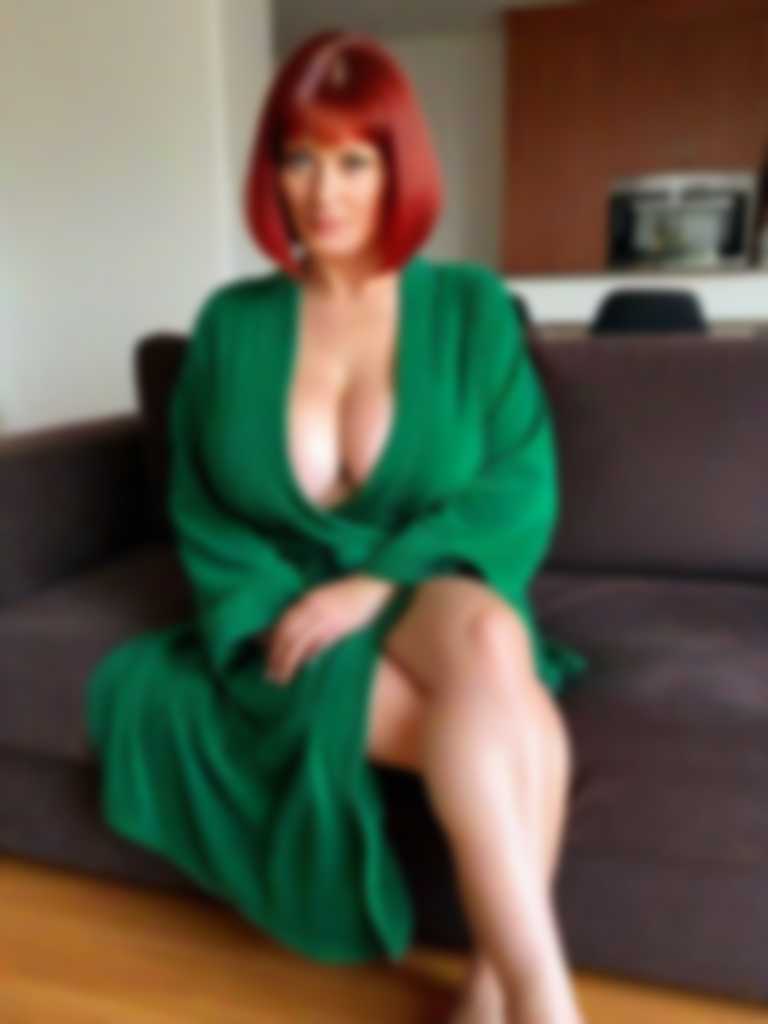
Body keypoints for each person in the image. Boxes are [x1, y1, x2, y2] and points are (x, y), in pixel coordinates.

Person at [85, 28, 590, 1024]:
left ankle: (520, 990)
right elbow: (201, 504)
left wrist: (373, 584)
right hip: (283, 602)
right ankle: (516, 997)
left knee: (492, 634)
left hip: (425, 578)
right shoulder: (231, 324)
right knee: (512, 710)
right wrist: (281, 606)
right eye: (300, 158)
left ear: (399, 167)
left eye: (355, 160)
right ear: (271, 170)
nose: (325, 191)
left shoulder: (470, 307)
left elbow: (517, 484)